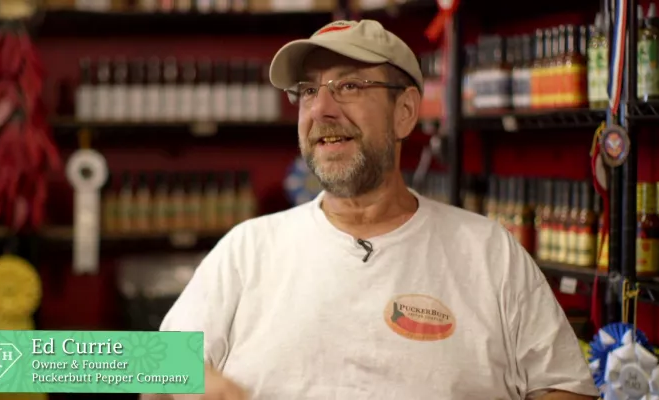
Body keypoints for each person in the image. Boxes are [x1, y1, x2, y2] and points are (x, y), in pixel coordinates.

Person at [140, 19, 599, 400]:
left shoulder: (488, 252)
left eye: (349, 85)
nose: (321, 109)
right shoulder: (248, 248)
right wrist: (192, 381)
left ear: (404, 112)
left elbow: (565, 388)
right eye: (307, 91)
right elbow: (147, 371)